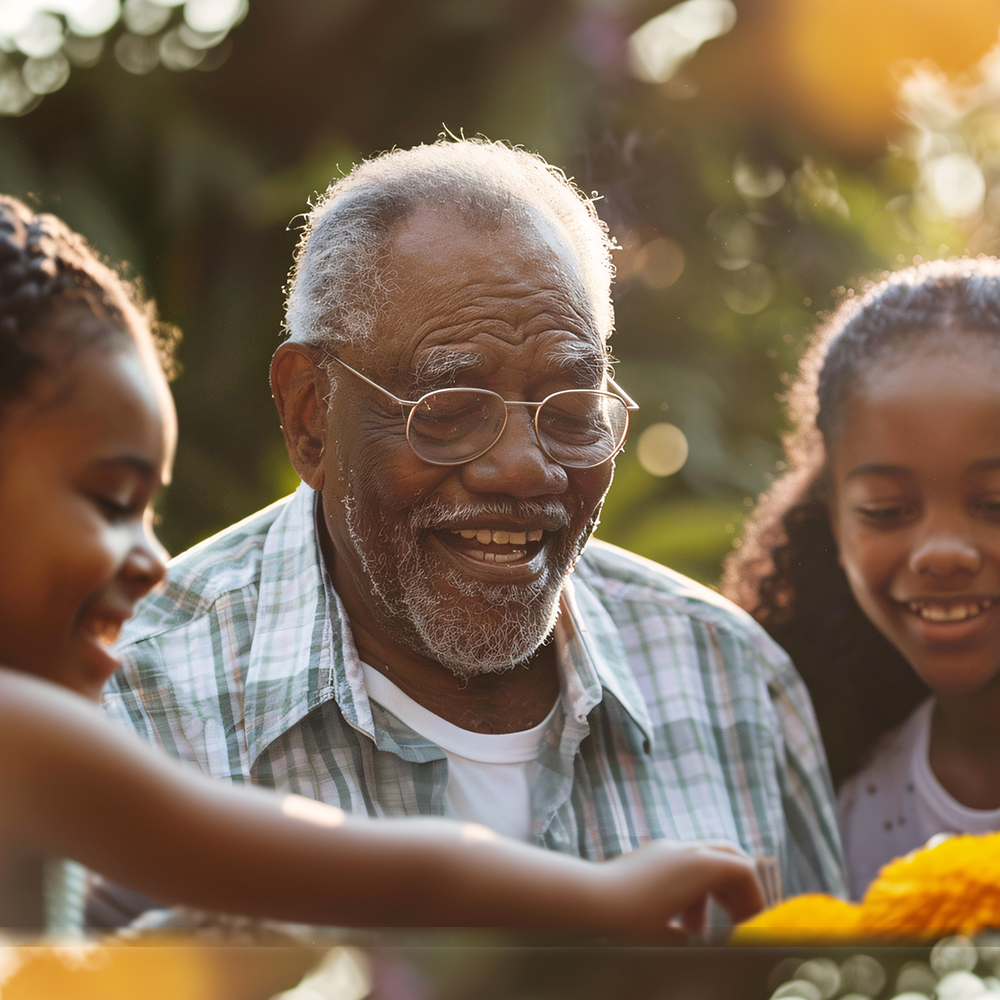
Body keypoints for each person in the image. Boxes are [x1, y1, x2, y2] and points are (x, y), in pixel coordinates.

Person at [105, 138, 845, 925]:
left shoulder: (731, 678)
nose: (525, 470)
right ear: (309, 415)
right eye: (449, 410)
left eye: (570, 410)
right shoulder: (130, 705)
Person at [723, 256, 1000, 899]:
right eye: (887, 512)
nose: (942, 553)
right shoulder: (839, 818)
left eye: (995, 503)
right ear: (832, 522)